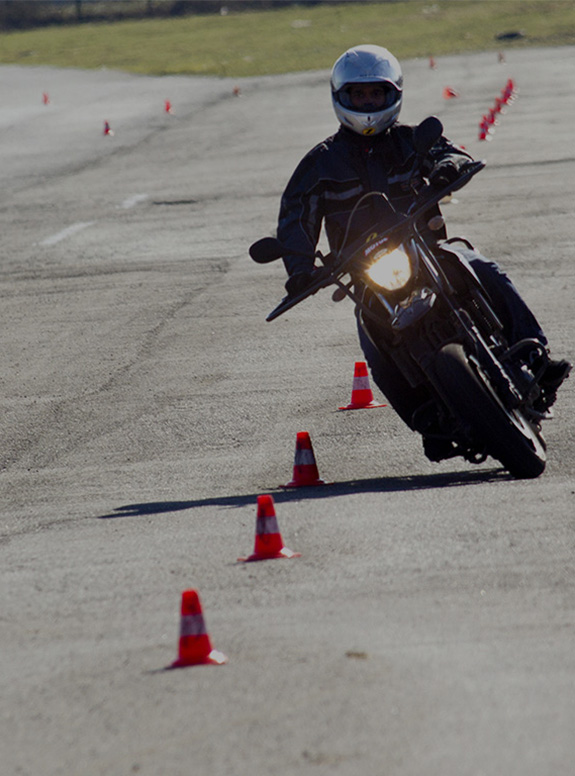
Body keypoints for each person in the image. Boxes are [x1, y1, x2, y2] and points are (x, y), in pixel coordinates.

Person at [275, 44, 570, 460]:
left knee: (476, 263)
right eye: (359, 95)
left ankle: (536, 353)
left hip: (426, 247)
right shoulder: (319, 164)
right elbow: (295, 216)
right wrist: (299, 267)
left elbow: (449, 150)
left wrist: (449, 166)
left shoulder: (412, 140)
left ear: (393, 93)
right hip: (367, 274)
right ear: (341, 96)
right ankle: (426, 417)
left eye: (376, 94)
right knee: (370, 331)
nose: (368, 102)